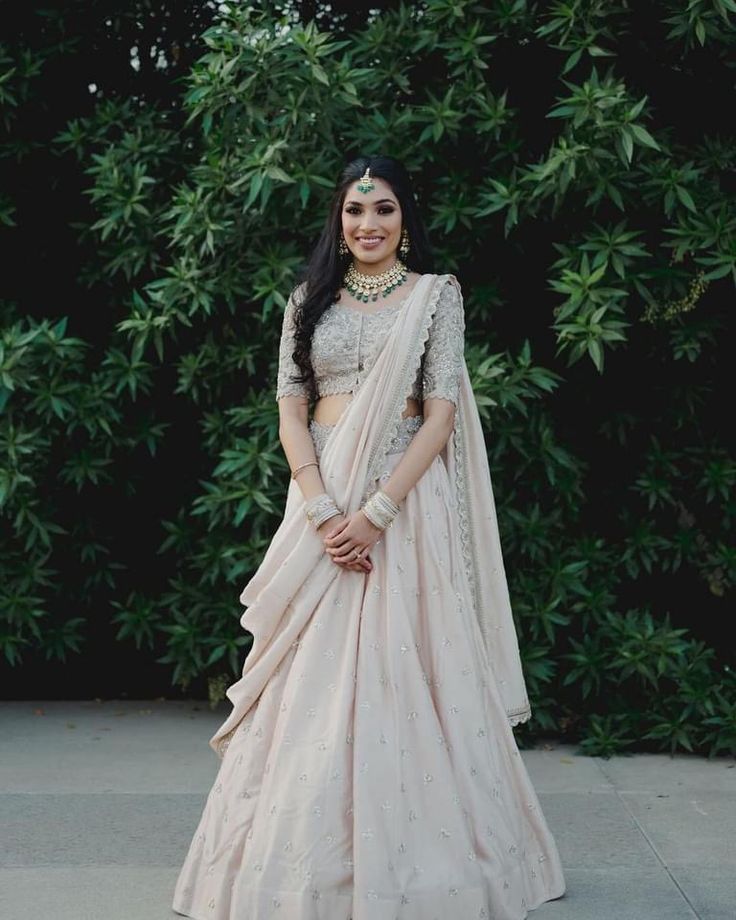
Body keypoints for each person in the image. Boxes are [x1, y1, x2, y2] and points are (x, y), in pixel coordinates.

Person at [172, 155, 566, 919]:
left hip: (404, 508)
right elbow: (292, 406)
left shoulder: (434, 298)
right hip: (320, 505)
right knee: (308, 681)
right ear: (337, 221)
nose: (368, 225)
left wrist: (378, 512)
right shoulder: (305, 301)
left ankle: (429, 867)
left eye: (383, 210)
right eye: (355, 213)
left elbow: (442, 411)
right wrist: (322, 509)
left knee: (407, 668)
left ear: (405, 221)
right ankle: (298, 870)